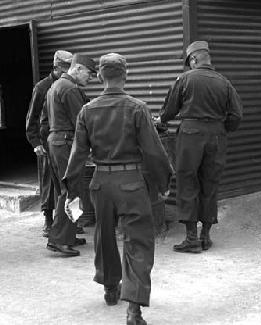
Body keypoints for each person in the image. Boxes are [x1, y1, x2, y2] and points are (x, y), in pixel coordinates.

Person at [63, 53, 173, 325]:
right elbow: (154, 152)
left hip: (101, 182)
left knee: (104, 236)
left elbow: (77, 154)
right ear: (126, 74)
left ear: (100, 76)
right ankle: (134, 309)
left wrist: (71, 190)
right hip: (131, 183)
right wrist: (163, 184)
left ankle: (110, 286)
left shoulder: (87, 110)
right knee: (138, 241)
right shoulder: (137, 108)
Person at [157, 41, 243, 253]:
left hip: (190, 135)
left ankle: (191, 239)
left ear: (194, 59)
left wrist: (162, 121)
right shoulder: (224, 82)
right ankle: (206, 236)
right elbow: (236, 115)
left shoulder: (185, 79)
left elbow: (169, 110)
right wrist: (222, 129)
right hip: (216, 136)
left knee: (187, 181)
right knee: (210, 183)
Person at [45, 54, 97, 257]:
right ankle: (58, 240)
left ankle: (69, 234)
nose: (90, 78)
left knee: (69, 189)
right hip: (66, 143)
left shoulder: (57, 85)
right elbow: (81, 122)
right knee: (71, 190)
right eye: (89, 74)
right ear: (78, 69)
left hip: (58, 141)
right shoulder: (69, 88)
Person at [25, 50, 72, 237]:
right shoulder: (42, 87)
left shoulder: (69, 85)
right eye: (66, 68)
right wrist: (35, 142)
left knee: (64, 181)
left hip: (63, 140)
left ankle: (66, 220)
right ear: (57, 67)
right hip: (46, 141)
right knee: (48, 182)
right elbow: (32, 116)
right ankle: (48, 219)